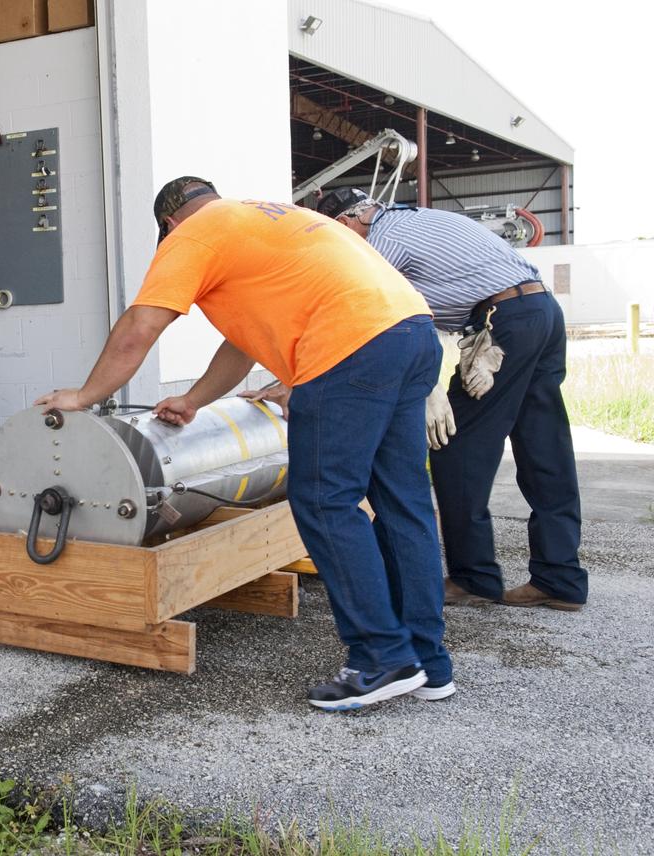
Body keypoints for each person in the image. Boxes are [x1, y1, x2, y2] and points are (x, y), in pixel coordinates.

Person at [36, 177, 453, 710]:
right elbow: (240, 344)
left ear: (168, 224)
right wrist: (193, 400)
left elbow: (140, 325)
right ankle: (429, 664)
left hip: (349, 346)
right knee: (404, 502)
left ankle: (381, 657)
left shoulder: (192, 235)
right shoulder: (263, 219)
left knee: (326, 500)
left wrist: (85, 394)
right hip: (411, 332)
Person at [315, 188, 586, 612]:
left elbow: (372, 311)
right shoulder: (417, 220)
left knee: (454, 448)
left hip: (503, 321)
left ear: (348, 223)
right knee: (543, 446)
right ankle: (560, 577)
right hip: (539, 311)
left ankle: (473, 577)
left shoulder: (381, 241)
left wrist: (427, 383)